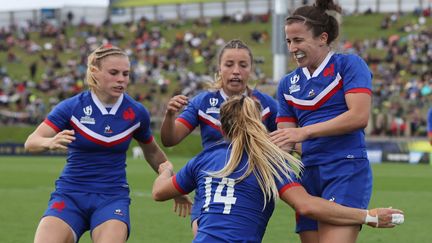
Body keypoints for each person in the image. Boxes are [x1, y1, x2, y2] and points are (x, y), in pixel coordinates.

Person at [152, 96, 404, 242]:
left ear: (223, 128)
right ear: (259, 123)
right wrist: (368, 216)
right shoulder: (269, 161)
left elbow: (159, 192)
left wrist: (165, 170)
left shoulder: (205, 158)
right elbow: (306, 205)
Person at [24, 44, 191, 243]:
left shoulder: (136, 112)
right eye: (113, 73)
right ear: (95, 72)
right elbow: (31, 142)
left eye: (126, 74)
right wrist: (49, 142)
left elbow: (153, 153)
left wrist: (174, 186)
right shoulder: (71, 107)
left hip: (111, 198)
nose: (121, 79)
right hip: (70, 194)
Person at [270, 1, 375, 242]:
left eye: (298, 40)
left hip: (345, 168)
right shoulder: (287, 83)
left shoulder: (349, 65)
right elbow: (287, 139)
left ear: (322, 38)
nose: (292, 47)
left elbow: (359, 117)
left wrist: (304, 132)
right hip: (308, 175)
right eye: (288, 41)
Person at [160, 39, 278, 234]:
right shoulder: (203, 102)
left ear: (251, 69)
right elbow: (170, 140)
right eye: (229, 64)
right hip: (210, 186)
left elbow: (286, 142)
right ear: (219, 68)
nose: (236, 71)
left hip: (251, 187)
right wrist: (170, 115)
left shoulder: (267, 105)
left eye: (243, 65)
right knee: (206, 232)